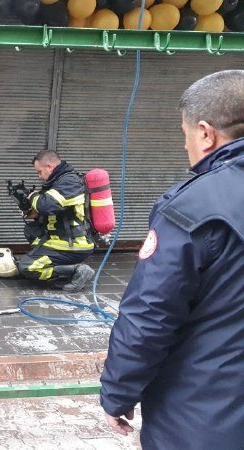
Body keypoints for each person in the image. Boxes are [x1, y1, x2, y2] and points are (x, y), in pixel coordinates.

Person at [101, 70, 244, 449]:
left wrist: (118, 391)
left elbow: (151, 312)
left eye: (185, 136)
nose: (186, 147)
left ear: (205, 133)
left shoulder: (193, 208)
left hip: (203, 415)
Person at [16, 150, 95, 291]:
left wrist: (33, 196)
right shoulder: (56, 182)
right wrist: (26, 207)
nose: (39, 177)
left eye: (39, 172)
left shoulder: (70, 182)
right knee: (31, 230)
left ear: (49, 166)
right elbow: (46, 212)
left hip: (73, 245)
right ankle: (60, 268)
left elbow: (46, 205)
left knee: (26, 267)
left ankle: (76, 270)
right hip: (61, 240)